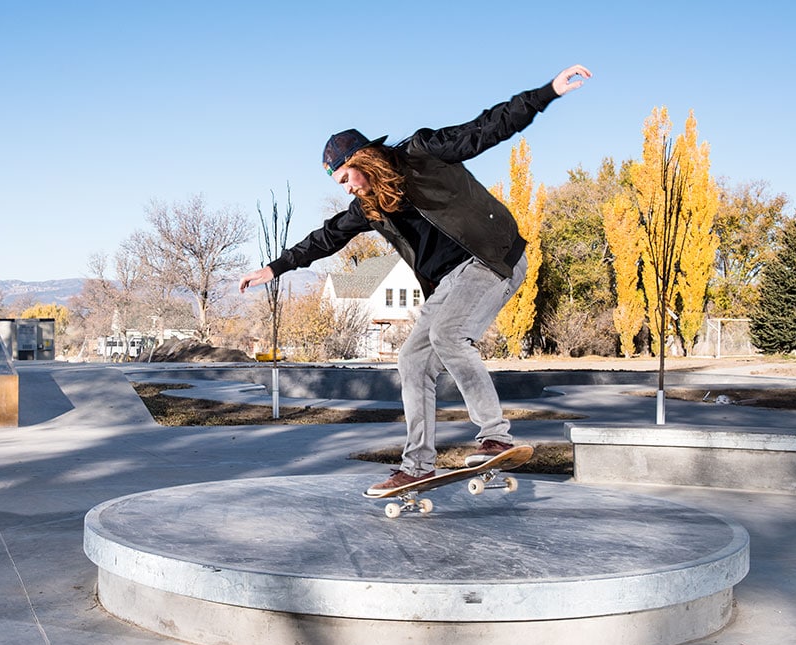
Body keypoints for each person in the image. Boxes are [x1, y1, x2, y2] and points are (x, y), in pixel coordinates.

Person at [239, 64, 592, 495]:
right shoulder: (370, 208)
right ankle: (418, 465)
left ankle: (495, 434)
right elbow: (326, 237)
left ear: (363, 160)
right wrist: (275, 268)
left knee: (448, 335)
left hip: (492, 257)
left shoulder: (422, 153)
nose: (347, 188)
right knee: (411, 360)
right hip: (449, 284)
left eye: (346, 177)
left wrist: (547, 92)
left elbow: (484, 129)